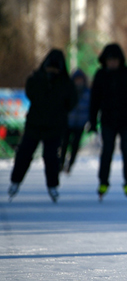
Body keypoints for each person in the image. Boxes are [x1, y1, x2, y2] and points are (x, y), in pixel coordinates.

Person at [8, 49, 77, 202]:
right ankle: (15, 181)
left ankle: (52, 186)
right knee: (24, 154)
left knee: (51, 158)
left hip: (54, 127)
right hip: (35, 125)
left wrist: (60, 112)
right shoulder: (37, 79)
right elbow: (30, 92)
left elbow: (71, 102)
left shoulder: (65, 83)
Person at [89, 43, 127, 201]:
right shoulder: (100, 75)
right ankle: (103, 183)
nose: (112, 63)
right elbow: (94, 101)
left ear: (121, 60)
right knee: (107, 151)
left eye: (115, 60)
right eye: (109, 60)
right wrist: (92, 121)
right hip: (107, 121)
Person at [60, 69, 91, 174]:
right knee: (64, 143)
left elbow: (91, 108)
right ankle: (61, 163)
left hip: (80, 123)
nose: (78, 82)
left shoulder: (87, 93)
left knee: (75, 145)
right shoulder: (68, 92)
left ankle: (70, 164)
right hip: (68, 122)